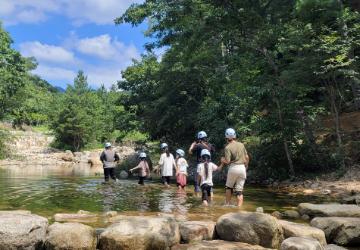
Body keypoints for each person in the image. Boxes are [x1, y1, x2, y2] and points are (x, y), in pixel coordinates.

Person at [220, 128, 249, 207]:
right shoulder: (241, 144)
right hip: (242, 168)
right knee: (239, 191)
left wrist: (223, 160)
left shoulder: (227, 147)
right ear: (235, 136)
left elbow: (228, 161)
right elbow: (247, 157)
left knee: (229, 187)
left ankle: (227, 204)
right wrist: (246, 166)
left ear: (226, 137)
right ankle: (239, 208)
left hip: (233, 168)